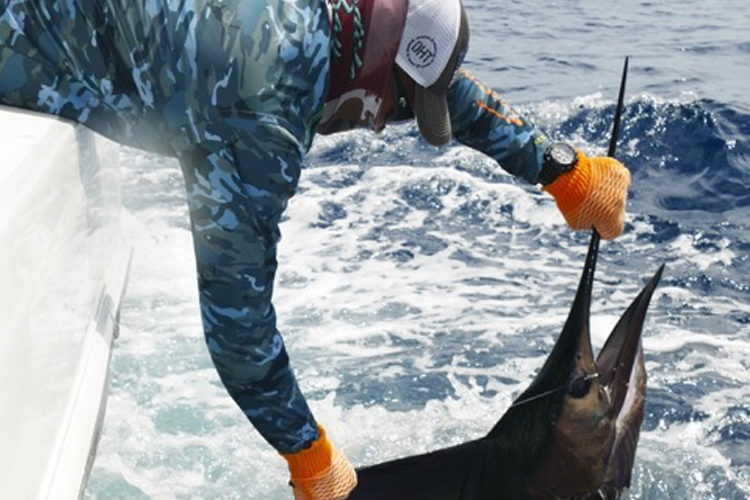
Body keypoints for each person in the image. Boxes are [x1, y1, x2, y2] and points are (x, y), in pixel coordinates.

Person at [0, 0, 629, 498]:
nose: (382, 122)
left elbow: (436, 87)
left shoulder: (335, 21)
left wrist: (559, 167)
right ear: (380, 65)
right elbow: (238, 328)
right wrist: (308, 454)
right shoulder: (261, 105)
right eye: (394, 106)